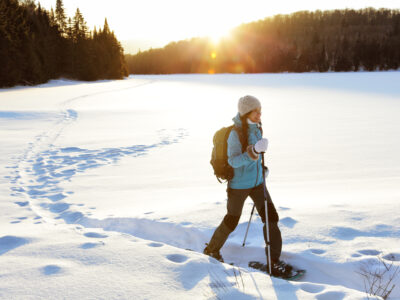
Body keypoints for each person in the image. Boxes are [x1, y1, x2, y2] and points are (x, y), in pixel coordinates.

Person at [203, 95, 292, 278]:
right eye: (256, 112)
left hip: (258, 183)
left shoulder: (257, 128)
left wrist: (261, 169)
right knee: (232, 220)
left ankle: (274, 261)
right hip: (239, 186)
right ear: (246, 113)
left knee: (271, 217)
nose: (260, 115)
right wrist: (254, 151)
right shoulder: (236, 134)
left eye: (260, 111)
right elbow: (234, 161)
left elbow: (255, 157)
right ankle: (212, 250)